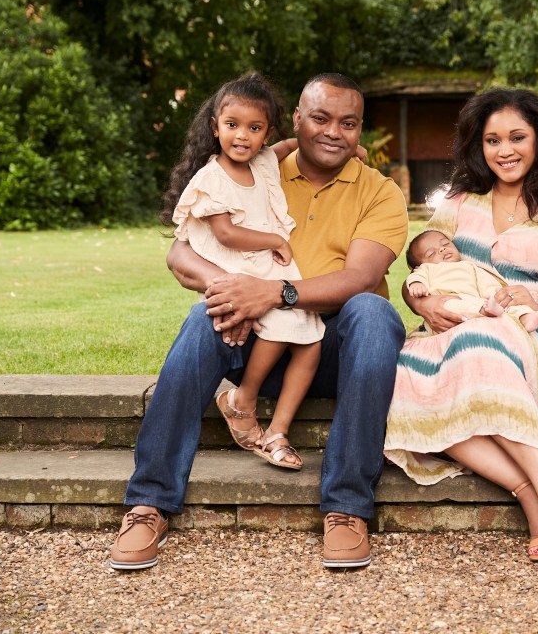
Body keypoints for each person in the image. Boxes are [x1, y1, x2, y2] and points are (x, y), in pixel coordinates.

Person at [109, 73, 409, 571]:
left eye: (348, 123)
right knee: (203, 314)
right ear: (295, 119)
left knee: (374, 311)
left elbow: (360, 277)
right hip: (259, 343)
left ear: (360, 130)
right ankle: (149, 502)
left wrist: (272, 292)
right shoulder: (252, 169)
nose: (334, 132)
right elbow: (180, 254)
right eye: (320, 118)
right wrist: (234, 291)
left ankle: (347, 507)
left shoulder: (379, 192)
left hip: (337, 351)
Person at [384, 88, 538, 578]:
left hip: (537, 338)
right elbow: (419, 271)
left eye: (517, 137)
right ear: (477, 147)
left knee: (480, 345)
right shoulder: (459, 207)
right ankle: (532, 493)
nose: (504, 150)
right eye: (491, 140)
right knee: (400, 375)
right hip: (456, 331)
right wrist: (422, 298)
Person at [165, 72, 323, 471]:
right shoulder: (211, 180)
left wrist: (340, 150)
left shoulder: (264, 160)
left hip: (266, 267)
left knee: (311, 340)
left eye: (255, 128)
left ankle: (277, 429)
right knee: (283, 327)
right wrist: (274, 240)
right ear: (215, 126)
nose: (242, 136)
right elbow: (226, 233)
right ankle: (244, 398)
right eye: (232, 125)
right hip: (240, 264)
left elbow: (290, 146)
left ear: (266, 133)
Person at [403, 229, 538, 334]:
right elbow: (415, 277)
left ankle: (527, 319)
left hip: (481, 302)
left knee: (508, 305)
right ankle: (486, 312)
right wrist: (417, 285)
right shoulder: (427, 269)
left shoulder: (470, 267)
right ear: (422, 263)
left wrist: (497, 296)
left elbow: (487, 284)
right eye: (431, 253)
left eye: (445, 244)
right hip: (449, 302)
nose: (442, 249)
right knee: (451, 304)